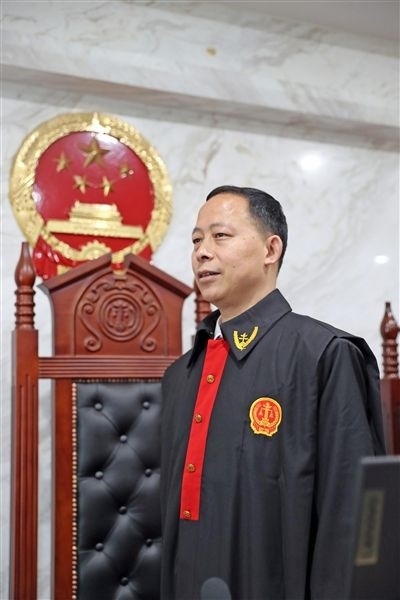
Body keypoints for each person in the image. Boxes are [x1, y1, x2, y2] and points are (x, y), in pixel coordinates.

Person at [160, 185, 386, 600]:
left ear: (271, 249)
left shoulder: (324, 355)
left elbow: (351, 520)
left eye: (220, 236)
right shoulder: (180, 375)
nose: (202, 252)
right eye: (195, 240)